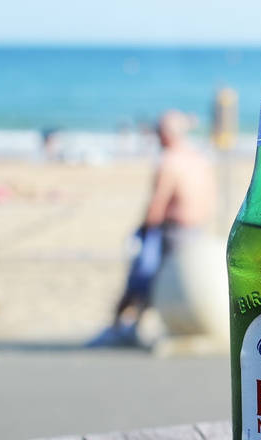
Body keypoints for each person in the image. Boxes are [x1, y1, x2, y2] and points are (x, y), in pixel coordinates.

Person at [90, 111, 217, 346]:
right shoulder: (199, 158)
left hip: (173, 230)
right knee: (170, 279)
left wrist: (144, 230)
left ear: (166, 135)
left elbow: (157, 203)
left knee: (143, 275)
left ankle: (120, 327)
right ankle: (135, 324)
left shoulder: (169, 161)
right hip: (197, 230)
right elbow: (209, 197)